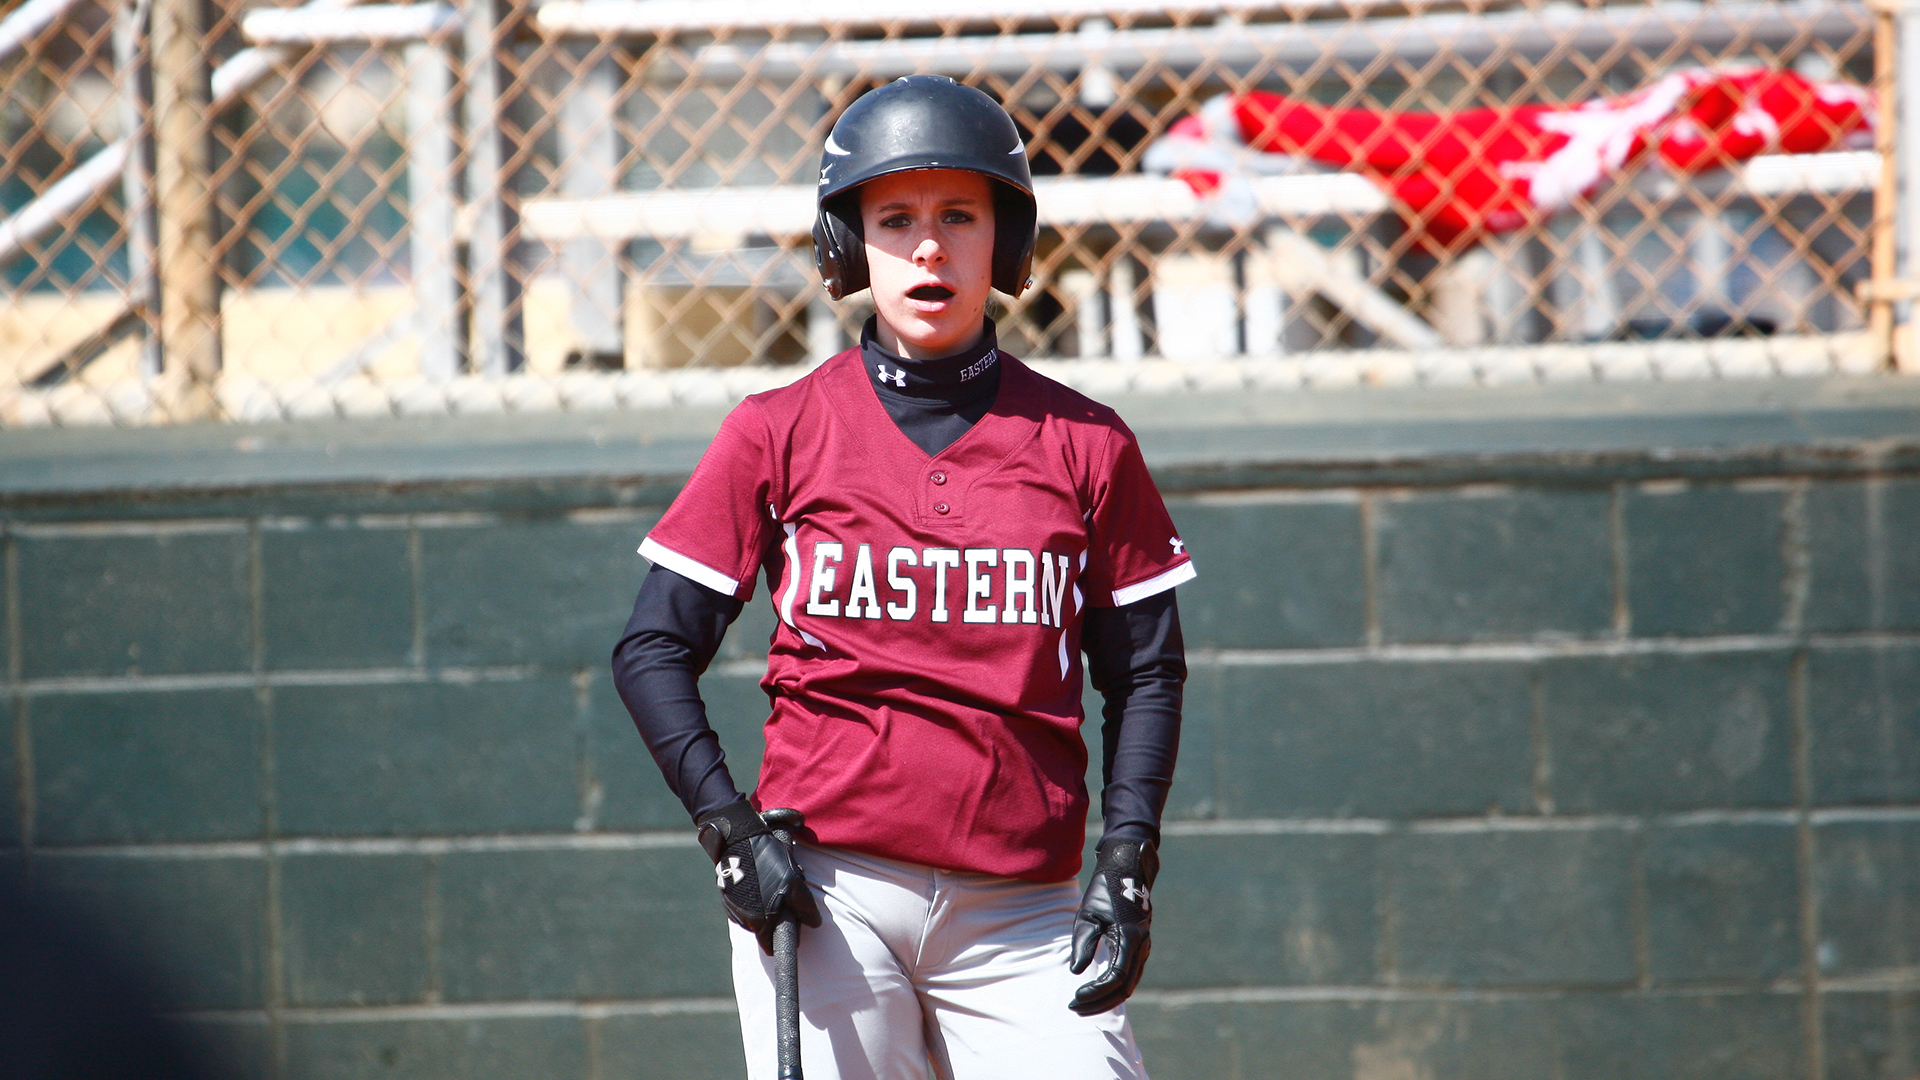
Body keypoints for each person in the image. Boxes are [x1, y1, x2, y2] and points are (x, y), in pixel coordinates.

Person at [612, 75, 1193, 1080]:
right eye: (895, 218)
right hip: (832, 892)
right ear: (848, 246)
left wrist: (1129, 860)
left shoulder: (1088, 443)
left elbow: (1146, 672)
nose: (929, 247)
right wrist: (730, 830)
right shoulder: (778, 430)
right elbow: (652, 648)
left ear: (1004, 243)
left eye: (959, 215)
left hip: (1022, 906)